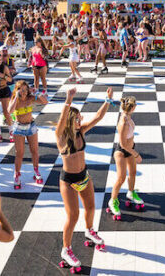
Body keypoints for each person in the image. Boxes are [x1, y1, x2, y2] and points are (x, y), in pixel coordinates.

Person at [55, 87, 113, 272]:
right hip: (68, 181)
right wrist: (68, 101)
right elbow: (61, 121)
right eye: (78, 118)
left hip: (84, 176)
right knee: (73, 216)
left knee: (90, 207)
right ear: (71, 120)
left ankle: (89, 231)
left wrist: (108, 100)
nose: (81, 120)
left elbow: (97, 117)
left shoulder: (82, 131)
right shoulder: (61, 136)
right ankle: (66, 249)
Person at [8, 80, 48, 190]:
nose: (24, 92)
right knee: (19, 153)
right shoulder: (15, 100)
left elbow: (45, 102)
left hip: (31, 126)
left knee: (34, 150)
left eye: (26, 89)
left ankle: (36, 170)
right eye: (21, 90)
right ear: (17, 90)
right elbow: (9, 110)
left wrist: (37, 93)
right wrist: (16, 96)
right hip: (19, 128)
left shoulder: (31, 98)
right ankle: (17, 174)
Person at [108, 96, 142, 220]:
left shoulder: (127, 116)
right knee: (121, 178)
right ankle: (113, 201)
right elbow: (123, 144)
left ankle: (131, 192)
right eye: (135, 104)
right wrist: (136, 154)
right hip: (122, 151)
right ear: (132, 107)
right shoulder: (123, 122)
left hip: (129, 149)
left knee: (132, 173)